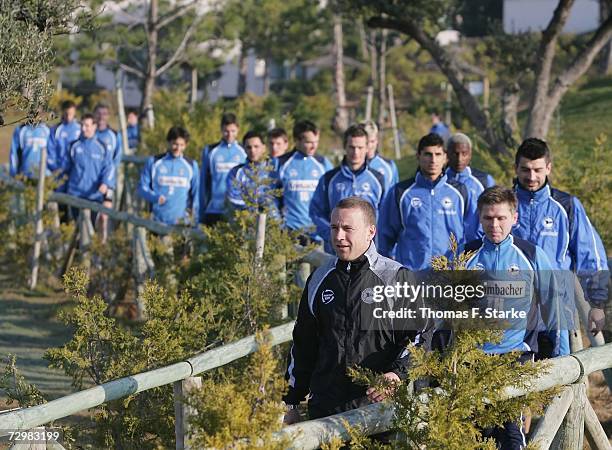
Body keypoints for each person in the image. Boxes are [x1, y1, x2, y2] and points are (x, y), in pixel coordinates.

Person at [430, 186, 565, 449]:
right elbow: (440, 313)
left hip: (515, 357)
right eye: (488, 218)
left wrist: (560, 361)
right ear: (479, 218)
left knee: (511, 434)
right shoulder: (463, 257)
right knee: (472, 435)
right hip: (469, 360)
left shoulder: (532, 256)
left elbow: (555, 312)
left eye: (501, 218)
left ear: (514, 218)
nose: (494, 225)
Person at [283, 197, 423, 423]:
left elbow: (419, 337)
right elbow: (303, 344)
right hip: (325, 412)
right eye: (334, 228)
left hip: (378, 413)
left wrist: (397, 374)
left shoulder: (396, 277)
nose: (339, 236)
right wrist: (291, 401)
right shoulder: (319, 278)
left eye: (348, 228)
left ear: (371, 232)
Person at [512, 138, 609, 355]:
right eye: (525, 169)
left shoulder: (566, 206)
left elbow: (591, 257)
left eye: (538, 169)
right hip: (512, 309)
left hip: (556, 310)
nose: (531, 176)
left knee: (559, 376)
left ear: (548, 167)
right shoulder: (504, 205)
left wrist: (596, 303)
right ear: (515, 168)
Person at [377, 133, 478, 271]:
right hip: (411, 276)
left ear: (445, 157)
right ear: (418, 156)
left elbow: (474, 234)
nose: (433, 160)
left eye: (438, 154)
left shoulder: (460, 192)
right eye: (428, 154)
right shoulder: (401, 192)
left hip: (450, 276)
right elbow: (385, 235)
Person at [310, 124, 385, 253]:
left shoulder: (378, 179)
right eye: (351, 147)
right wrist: (331, 235)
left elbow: (386, 217)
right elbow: (316, 213)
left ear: (367, 148)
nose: (355, 152)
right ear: (344, 147)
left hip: (369, 253)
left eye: (360, 147)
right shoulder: (329, 179)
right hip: (337, 252)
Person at [277, 120, 333, 240]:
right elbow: (269, 196)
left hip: (317, 234)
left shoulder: (323, 163)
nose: (314, 146)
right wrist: (278, 224)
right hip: (289, 233)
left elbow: (332, 197)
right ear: (297, 141)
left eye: (316, 142)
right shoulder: (280, 163)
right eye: (308, 142)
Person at [137, 126, 199, 226]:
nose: (178, 148)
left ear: (186, 145)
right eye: (175, 144)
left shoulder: (191, 165)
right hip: (157, 222)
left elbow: (196, 194)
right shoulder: (154, 162)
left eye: (181, 145)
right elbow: (141, 187)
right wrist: (155, 197)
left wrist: (195, 219)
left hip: (182, 224)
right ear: (169, 142)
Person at [62, 114, 115, 223]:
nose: (83, 128)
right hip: (75, 194)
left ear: (94, 126)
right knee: (76, 228)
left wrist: (105, 184)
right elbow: (65, 168)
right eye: (82, 125)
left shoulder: (102, 147)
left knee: (90, 228)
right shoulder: (73, 146)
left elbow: (109, 168)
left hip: (94, 195)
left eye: (87, 125)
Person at [199, 113, 246, 225]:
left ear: (238, 129)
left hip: (237, 210)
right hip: (214, 209)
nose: (230, 134)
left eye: (233, 131)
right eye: (226, 131)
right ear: (221, 129)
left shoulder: (244, 151)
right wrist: (200, 213)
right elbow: (203, 184)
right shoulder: (210, 151)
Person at [445, 133, 496, 239]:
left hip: (477, 246)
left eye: (464, 153)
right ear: (447, 154)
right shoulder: (440, 181)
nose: (460, 159)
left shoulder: (484, 181)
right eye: (455, 154)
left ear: (470, 154)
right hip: (448, 249)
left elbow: (495, 212)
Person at [226, 131, 281, 217]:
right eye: (249, 147)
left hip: (273, 223)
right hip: (247, 222)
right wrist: (254, 207)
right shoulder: (236, 172)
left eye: (256, 147)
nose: (252, 150)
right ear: (244, 148)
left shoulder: (275, 169)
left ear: (263, 147)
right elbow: (234, 197)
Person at [362, 120, 399, 192]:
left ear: (377, 140)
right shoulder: (354, 166)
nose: (369, 146)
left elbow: (394, 193)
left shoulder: (389, 166)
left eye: (372, 141)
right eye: (366, 142)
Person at [47, 100, 81, 175]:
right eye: (66, 114)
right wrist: (55, 168)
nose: (68, 117)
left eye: (71, 114)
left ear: (75, 112)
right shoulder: (56, 130)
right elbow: (50, 150)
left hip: (76, 172)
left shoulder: (81, 128)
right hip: (59, 171)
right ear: (62, 112)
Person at [94, 103, 123, 169]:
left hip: (107, 176)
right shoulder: (88, 133)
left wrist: (109, 174)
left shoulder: (115, 135)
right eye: (98, 113)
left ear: (108, 116)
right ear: (94, 114)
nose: (101, 117)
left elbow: (117, 158)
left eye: (104, 114)